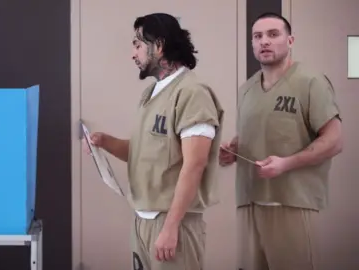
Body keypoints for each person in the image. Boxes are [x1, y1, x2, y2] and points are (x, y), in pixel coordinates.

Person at [85, 13, 224, 270]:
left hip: (173, 223)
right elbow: (142, 152)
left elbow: (195, 164)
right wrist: (104, 141)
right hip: (142, 219)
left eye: (138, 44)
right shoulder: (151, 93)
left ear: (158, 46)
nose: (132, 54)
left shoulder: (192, 93)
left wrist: (171, 228)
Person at [219, 12, 343, 270]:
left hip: (291, 202)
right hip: (250, 202)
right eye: (257, 36)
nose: (264, 41)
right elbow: (258, 132)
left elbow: (334, 141)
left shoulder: (310, 81)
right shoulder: (247, 89)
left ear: (290, 41)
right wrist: (232, 150)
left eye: (273, 34)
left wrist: (286, 163)